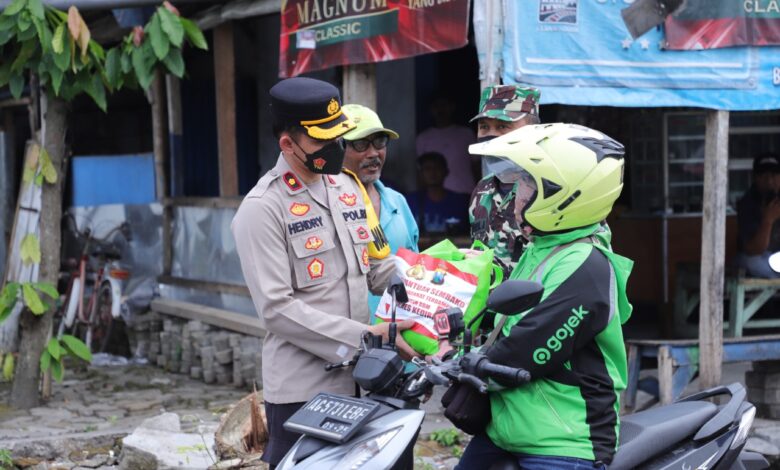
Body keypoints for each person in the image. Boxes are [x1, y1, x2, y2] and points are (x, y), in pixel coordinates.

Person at [231, 77, 416, 469]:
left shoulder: (348, 187)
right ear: (288, 144)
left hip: (365, 379)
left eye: (339, 136)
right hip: (305, 389)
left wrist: (430, 285)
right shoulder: (262, 208)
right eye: (324, 140)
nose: (336, 147)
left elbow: (377, 267)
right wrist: (366, 337)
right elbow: (276, 309)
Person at [455, 123, 633, 469]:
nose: (516, 194)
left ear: (563, 194)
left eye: (527, 183)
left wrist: (462, 363)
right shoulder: (540, 249)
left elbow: (528, 349)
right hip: (507, 430)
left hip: (562, 439)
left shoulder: (585, 264)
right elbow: (505, 317)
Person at [341, 104, 419, 318]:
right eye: (360, 144)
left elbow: (414, 268)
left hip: (400, 327)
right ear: (338, 148)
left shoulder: (397, 202)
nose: (373, 153)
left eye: (380, 142)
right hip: (350, 332)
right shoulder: (325, 206)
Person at [469, 84, 541, 274]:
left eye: (502, 126)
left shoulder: (553, 188)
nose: (491, 135)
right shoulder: (482, 190)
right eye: (484, 127)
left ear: (532, 131)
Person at [416, 94, 477, 195]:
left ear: (452, 107)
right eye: (436, 106)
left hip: (465, 192)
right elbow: (420, 172)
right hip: (435, 197)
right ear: (431, 110)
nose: (440, 110)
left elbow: (477, 166)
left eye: (444, 105)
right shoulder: (423, 138)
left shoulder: (466, 134)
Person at [736, 153, 780, 279]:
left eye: (774, 175)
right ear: (755, 178)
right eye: (763, 176)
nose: (769, 181)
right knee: (750, 262)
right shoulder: (747, 203)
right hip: (758, 258)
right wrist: (768, 220)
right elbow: (754, 250)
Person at [407, 152, 470, 235]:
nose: (433, 173)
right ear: (420, 173)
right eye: (427, 169)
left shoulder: (461, 202)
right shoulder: (409, 201)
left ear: (446, 172)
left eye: (437, 168)